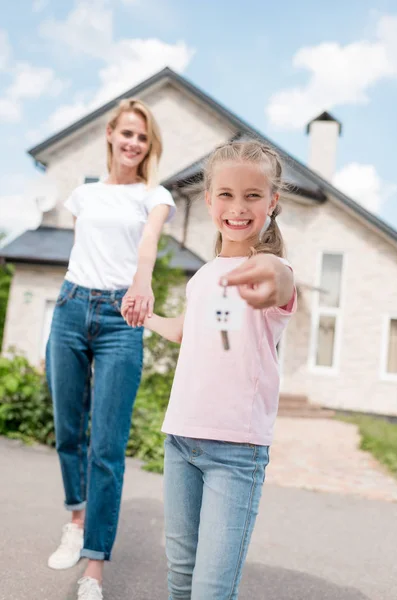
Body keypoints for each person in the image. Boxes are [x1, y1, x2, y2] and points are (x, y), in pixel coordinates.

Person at [122, 139, 297, 599]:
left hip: (236, 453)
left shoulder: (270, 266)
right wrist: (146, 317)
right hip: (181, 440)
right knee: (180, 575)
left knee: (211, 590)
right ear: (208, 200)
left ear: (272, 202)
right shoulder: (203, 275)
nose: (238, 207)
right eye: (226, 194)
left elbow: (280, 283)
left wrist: (271, 283)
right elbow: (187, 330)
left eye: (253, 196)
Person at [46, 98, 175, 600]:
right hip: (72, 307)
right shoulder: (84, 196)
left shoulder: (155, 195)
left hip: (123, 319)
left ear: (149, 145)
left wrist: (140, 284)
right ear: (110, 135)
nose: (132, 143)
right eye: (126, 133)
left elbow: (146, 247)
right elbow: (85, 251)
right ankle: (76, 519)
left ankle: (95, 564)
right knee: (68, 428)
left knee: (108, 446)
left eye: (141, 137)